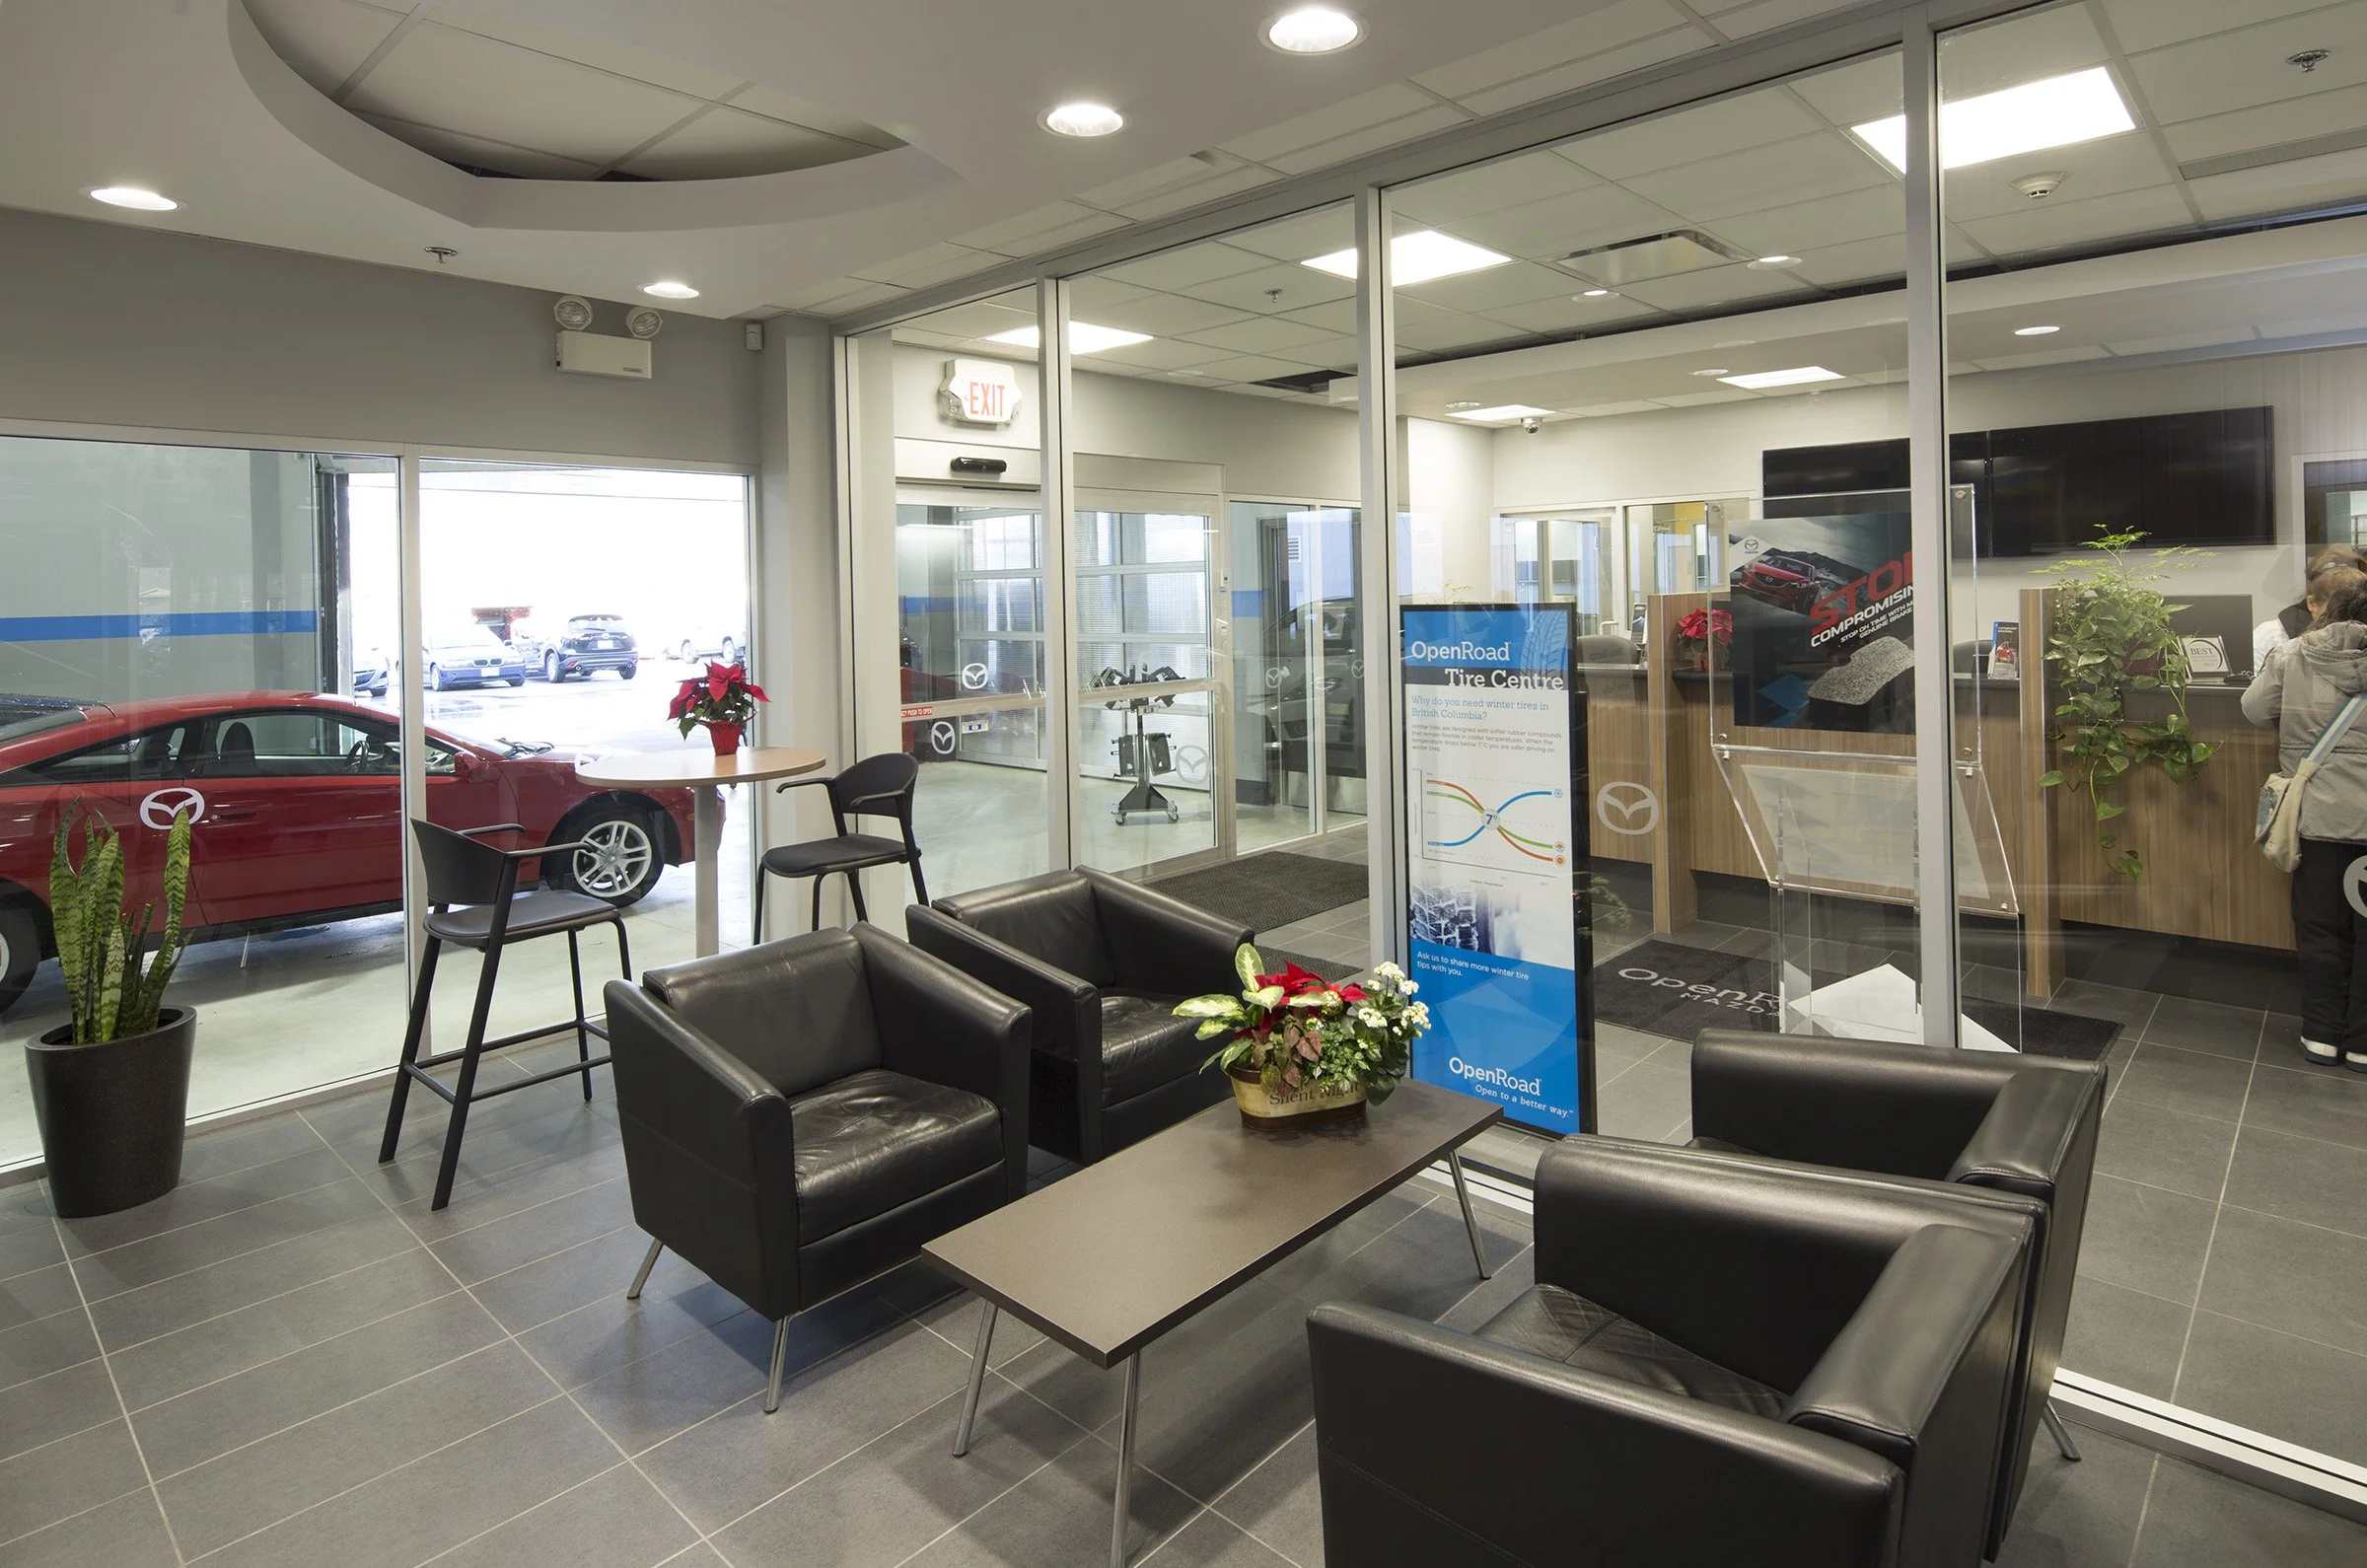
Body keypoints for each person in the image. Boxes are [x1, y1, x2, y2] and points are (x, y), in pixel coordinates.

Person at [2245, 573, 2367, 1068]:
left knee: (2320, 926)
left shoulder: (2294, 654)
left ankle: (2321, 1034)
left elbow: (2254, 709)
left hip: (2316, 814)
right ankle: (2363, 1043)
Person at [2253, 545, 2367, 670]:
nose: (2349, 622)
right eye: (2340, 610)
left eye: (2360, 606)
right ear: (2312, 603)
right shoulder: (2272, 637)